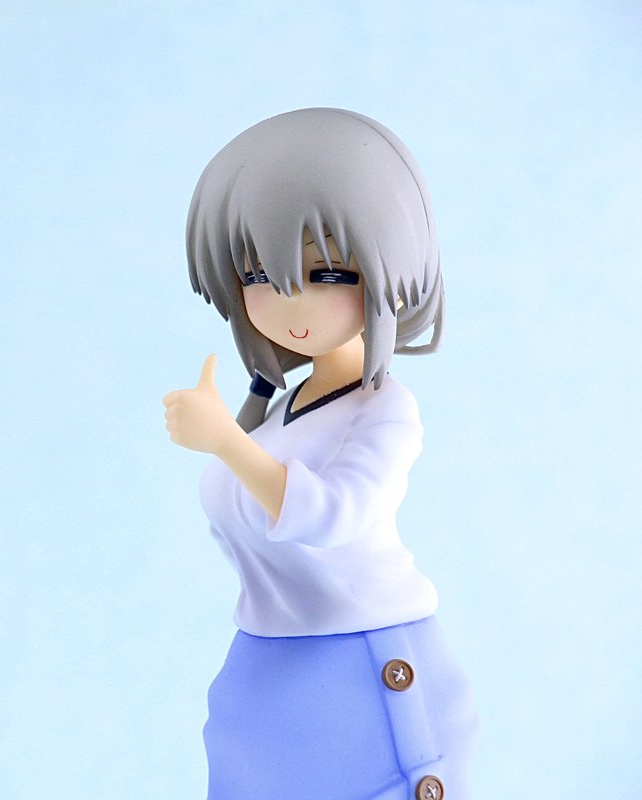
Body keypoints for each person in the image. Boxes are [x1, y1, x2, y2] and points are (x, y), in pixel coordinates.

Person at [163, 108, 478, 800]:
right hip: (267, 675)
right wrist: (236, 431)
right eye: (260, 273)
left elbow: (337, 514)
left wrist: (224, 441)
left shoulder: (383, 409)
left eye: (327, 272)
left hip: (360, 669)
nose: (289, 302)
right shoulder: (282, 407)